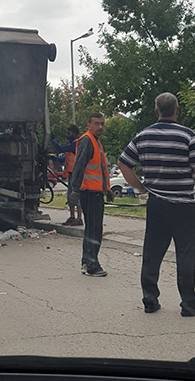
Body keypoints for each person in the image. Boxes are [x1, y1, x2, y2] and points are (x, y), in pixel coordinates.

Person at [117, 93, 195, 317]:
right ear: (177, 111)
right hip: (183, 207)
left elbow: (123, 163)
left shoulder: (143, 136)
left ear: (156, 111)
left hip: (157, 204)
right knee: (186, 254)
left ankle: (150, 300)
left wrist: (140, 186)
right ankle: (189, 303)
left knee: (152, 253)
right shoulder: (188, 135)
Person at [68, 113, 114, 277]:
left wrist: (107, 190)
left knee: (92, 229)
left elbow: (100, 170)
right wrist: (75, 190)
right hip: (89, 192)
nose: (100, 127)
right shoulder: (87, 140)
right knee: (94, 230)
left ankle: (87, 262)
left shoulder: (96, 142)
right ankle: (92, 265)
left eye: (102, 124)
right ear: (89, 125)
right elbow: (79, 166)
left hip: (95, 191)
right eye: (96, 124)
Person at [52, 125, 83, 226]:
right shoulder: (71, 145)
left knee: (76, 195)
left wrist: (53, 140)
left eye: (68, 133)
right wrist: (53, 158)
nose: (67, 135)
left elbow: (61, 149)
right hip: (71, 174)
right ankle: (72, 217)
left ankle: (79, 218)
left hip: (76, 174)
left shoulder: (76, 144)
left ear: (74, 133)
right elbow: (65, 158)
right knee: (70, 196)